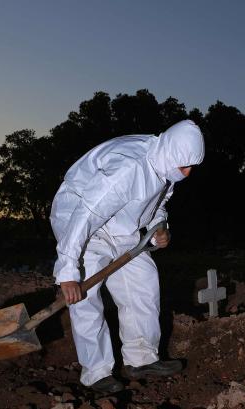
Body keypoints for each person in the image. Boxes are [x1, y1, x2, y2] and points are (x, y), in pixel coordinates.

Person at [50, 119, 204, 394]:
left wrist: (160, 227)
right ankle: (96, 373)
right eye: (185, 166)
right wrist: (68, 272)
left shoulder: (165, 163)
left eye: (192, 166)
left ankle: (141, 359)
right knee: (85, 295)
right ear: (171, 154)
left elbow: (157, 201)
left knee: (143, 280)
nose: (188, 173)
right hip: (81, 221)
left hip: (120, 226)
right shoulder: (128, 169)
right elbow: (86, 215)